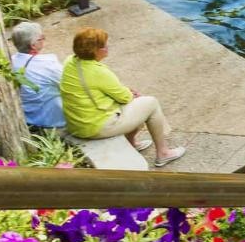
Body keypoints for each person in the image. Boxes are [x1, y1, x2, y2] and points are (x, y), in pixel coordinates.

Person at [62, 28, 185, 166]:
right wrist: (132, 94)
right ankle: (163, 153)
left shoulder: (69, 62)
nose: (107, 47)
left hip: (77, 125)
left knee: (138, 105)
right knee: (151, 104)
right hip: (95, 127)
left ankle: (131, 143)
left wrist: (128, 93)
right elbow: (125, 98)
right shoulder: (98, 72)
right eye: (104, 46)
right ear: (95, 51)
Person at [7, 22, 66, 134]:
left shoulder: (11, 61)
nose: (44, 39)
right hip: (52, 120)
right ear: (33, 45)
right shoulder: (48, 64)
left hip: (28, 118)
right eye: (41, 38)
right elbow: (68, 85)